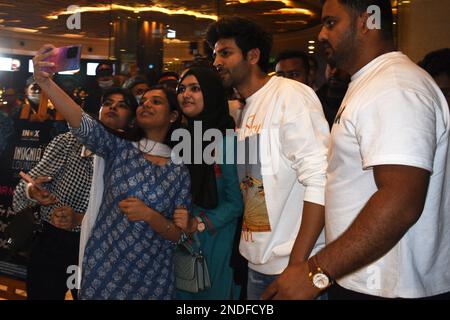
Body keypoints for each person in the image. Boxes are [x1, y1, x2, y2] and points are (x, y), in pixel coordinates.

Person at [262, 0, 450, 300]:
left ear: (367, 19)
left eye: (331, 23)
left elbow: (400, 200)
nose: (322, 34)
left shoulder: (394, 87)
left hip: (390, 286)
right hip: (367, 277)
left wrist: (316, 272)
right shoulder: (373, 82)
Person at [32, 45, 191, 300]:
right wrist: (46, 83)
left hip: (153, 279)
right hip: (104, 273)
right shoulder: (119, 148)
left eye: (156, 101)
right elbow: (81, 123)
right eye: (144, 101)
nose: (146, 104)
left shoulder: (179, 171)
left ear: (173, 116)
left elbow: (178, 234)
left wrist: (150, 216)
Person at [206, 17, 330, 300]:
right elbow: (256, 187)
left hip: (293, 265)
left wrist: (298, 265)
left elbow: (320, 178)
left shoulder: (291, 95)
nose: (216, 61)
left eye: (225, 53)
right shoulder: (249, 106)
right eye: (214, 54)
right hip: (259, 261)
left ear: (252, 56)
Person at [12, 87, 137, 300]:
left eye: (122, 105)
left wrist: (80, 219)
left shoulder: (131, 156)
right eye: (107, 103)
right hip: (52, 245)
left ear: (132, 120)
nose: (113, 107)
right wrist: (34, 192)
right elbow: (23, 190)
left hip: (101, 250)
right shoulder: (67, 142)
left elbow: (129, 216)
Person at [173, 66, 243, 299]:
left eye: (195, 89)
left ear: (212, 94)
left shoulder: (228, 142)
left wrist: (199, 224)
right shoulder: (181, 138)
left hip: (217, 238)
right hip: (182, 238)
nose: (186, 95)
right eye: (181, 89)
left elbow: (238, 202)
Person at [315, 62, 350, 128]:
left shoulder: (357, 99)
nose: (334, 72)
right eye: (332, 66)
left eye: (340, 67)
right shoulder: (315, 100)